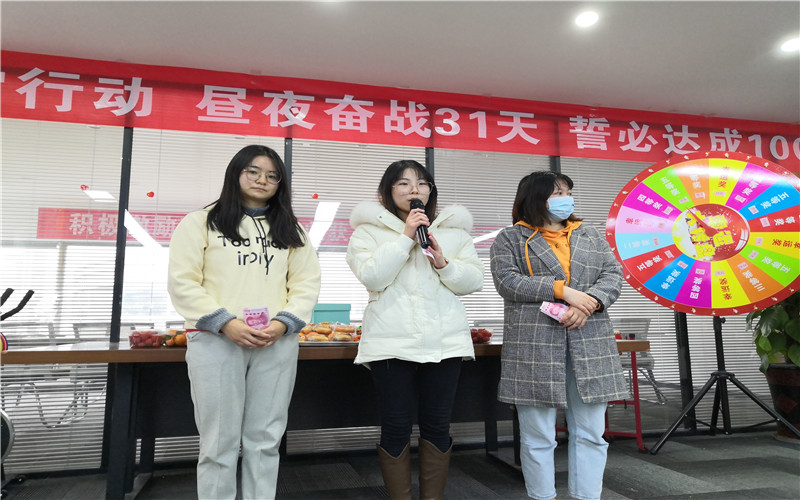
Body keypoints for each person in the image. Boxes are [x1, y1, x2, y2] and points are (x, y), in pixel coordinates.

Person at [168, 144, 321, 500]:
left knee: (265, 439)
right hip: (216, 341)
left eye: (272, 175)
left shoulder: (291, 230)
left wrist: (283, 324)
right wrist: (226, 323)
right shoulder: (200, 222)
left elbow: (306, 283)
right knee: (218, 440)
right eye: (253, 171)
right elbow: (183, 282)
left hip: (276, 341)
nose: (262, 180)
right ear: (236, 173)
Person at [346, 160, 483, 500]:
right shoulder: (367, 232)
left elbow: (473, 281)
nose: (414, 190)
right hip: (390, 343)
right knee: (396, 424)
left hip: (445, 342)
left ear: (430, 191)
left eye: (422, 183)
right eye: (404, 183)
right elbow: (373, 277)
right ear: (388, 191)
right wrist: (405, 237)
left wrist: (443, 262)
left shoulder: (454, 232)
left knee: (437, 424)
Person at [489, 171, 627, 500]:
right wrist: (563, 291)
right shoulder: (510, 238)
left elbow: (612, 274)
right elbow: (507, 281)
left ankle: (586, 496)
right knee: (538, 435)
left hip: (590, 339)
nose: (566, 199)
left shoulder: (590, 235)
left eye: (567, 192)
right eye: (557, 193)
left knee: (592, 433)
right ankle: (543, 497)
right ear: (534, 198)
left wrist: (589, 303)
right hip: (534, 345)